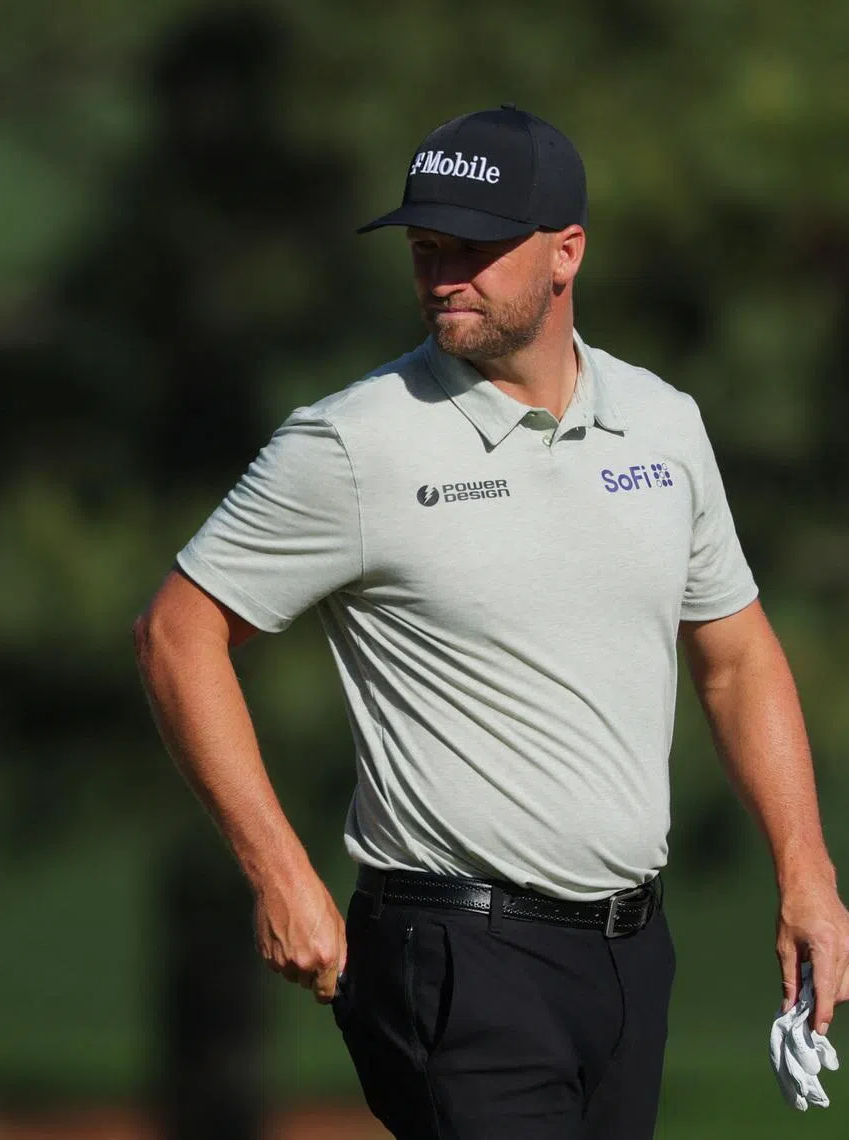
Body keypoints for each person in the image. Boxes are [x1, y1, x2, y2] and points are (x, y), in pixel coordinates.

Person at [133, 104, 849, 1139]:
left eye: (474, 249)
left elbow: (736, 656)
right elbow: (176, 630)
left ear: (567, 254)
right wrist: (278, 869)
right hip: (455, 959)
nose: (443, 275)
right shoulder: (352, 443)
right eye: (427, 248)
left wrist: (806, 871)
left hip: (631, 957)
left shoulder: (663, 422)